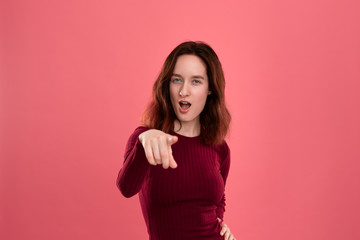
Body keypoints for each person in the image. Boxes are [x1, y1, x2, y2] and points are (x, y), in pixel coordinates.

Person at [116, 41, 236, 240]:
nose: (183, 91)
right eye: (177, 80)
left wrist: (221, 223)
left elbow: (219, 198)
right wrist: (143, 141)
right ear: (167, 84)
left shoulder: (220, 148)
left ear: (210, 89)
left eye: (195, 81)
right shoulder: (146, 139)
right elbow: (126, 188)